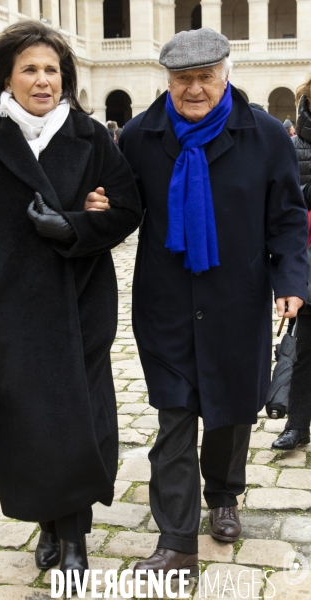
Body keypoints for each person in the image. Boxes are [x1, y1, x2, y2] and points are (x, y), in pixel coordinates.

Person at [0, 20, 141, 590]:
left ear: (65, 77)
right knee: (27, 423)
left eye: (52, 69)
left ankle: (73, 532)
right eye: (30, 68)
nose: (43, 79)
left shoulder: (90, 136)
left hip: (81, 304)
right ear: (7, 77)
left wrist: (73, 226)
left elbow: (127, 211)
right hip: (11, 309)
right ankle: (46, 523)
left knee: (79, 418)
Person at [119, 28, 308, 578]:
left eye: (205, 77)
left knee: (229, 411)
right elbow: (122, 210)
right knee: (174, 417)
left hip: (237, 299)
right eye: (183, 79)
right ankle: (177, 542)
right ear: (168, 80)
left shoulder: (267, 135)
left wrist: (292, 280)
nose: (194, 89)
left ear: (226, 74)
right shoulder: (139, 135)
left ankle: (224, 493)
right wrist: (94, 207)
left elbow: (288, 218)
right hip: (166, 302)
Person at [272, 74, 311, 450]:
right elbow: (284, 203)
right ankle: (298, 425)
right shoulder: (294, 146)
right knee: (303, 350)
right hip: (308, 258)